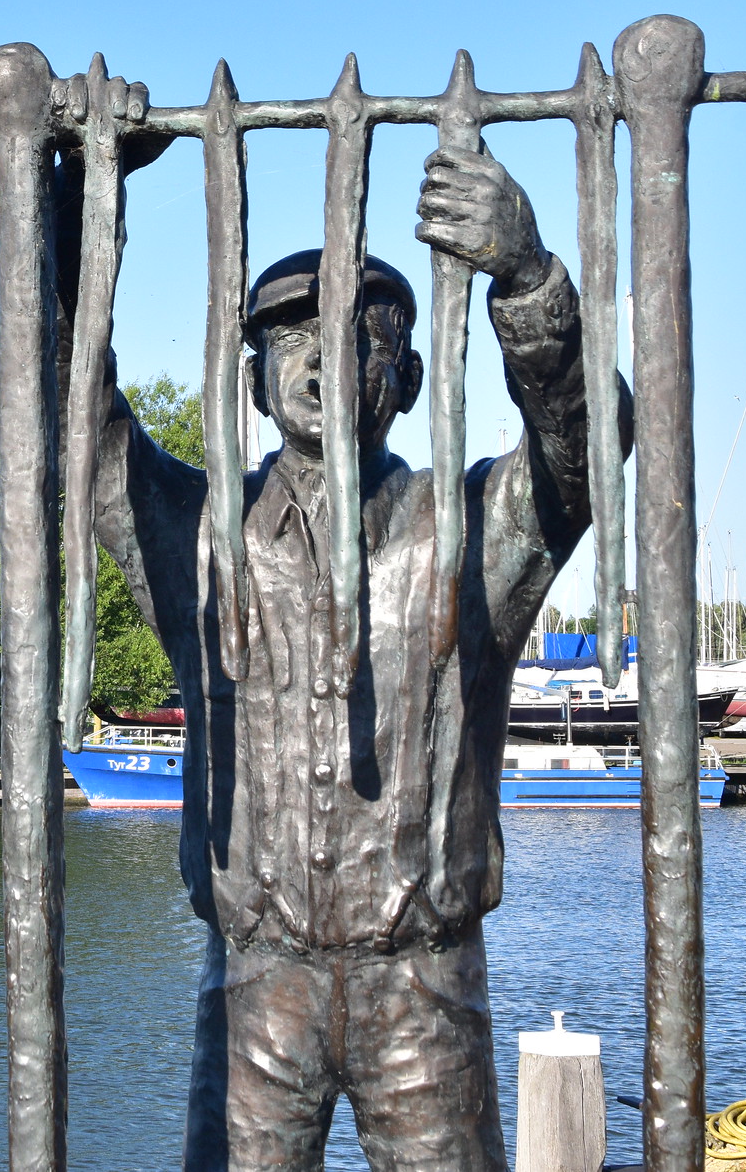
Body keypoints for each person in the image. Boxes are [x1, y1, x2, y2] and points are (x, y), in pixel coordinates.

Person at [75, 146, 627, 1172]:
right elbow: (73, 426)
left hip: (418, 987)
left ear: (408, 379)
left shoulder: (467, 529)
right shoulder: (199, 534)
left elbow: (585, 449)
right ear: (251, 380)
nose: (322, 359)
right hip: (254, 987)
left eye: (357, 337)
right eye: (290, 338)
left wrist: (529, 280)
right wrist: (66, 207)